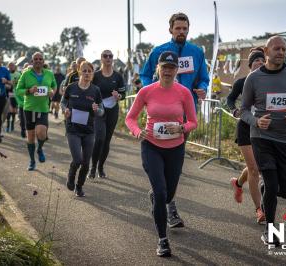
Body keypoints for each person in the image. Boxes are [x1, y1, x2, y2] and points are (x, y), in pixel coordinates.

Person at [240, 36, 286, 246]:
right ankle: (270, 231)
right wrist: (255, 121)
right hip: (261, 138)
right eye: (276, 48)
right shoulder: (253, 78)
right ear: (266, 51)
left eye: (284, 49)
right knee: (272, 184)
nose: (281, 52)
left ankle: (266, 191)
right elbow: (243, 110)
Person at [140, 12, 209, 228]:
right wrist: (148, 92)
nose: (181, 32)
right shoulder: (158, 51)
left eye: (184, 28)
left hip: (185, 116)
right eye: (177, 28)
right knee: (160, 160)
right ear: (170, 29)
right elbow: (144, 75)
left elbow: (204, 78)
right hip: (160, 115)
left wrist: (203, 89)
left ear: (189, 29)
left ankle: (162, 196)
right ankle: (169, 206)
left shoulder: (197, 52)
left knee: (174, 165)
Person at [126, 51, 197, 257]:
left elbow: (193, 121)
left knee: (169, 193)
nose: (167, 71)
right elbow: (130, 118)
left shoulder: (183, 92)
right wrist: (139, 132)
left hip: (175, 148)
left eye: (171, 67)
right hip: (151, 147)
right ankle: (162, 239)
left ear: (177, 70)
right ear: (158, 68)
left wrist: (183, 128)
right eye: (164, 67)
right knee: (160, 192)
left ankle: (159, 197)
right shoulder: (146, 91)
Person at [226, 47, 266, 224]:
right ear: (250, 64)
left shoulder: (270, 81)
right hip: (245, 127)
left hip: (264, 128)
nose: (260, 63)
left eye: (262, 60)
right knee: (254, 169)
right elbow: (229, 99)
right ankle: (260, 210)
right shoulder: (242, 82)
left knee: (254, 167)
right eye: (256, 60)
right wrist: (235, 110)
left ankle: (238, 183)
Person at [61, 61, 104, 197]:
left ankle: (79, 186)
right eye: (84, 71)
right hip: (72, 129)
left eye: (89, 71)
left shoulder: (95, 90)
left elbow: (102, 111)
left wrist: (97, 110)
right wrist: (65, 110)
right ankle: (71, 174)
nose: (87, 73)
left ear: (92, 74)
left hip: (89, 131)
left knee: (86, 163)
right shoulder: (71, 87)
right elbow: (63, 102)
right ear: (79, 72)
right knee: (78, 160)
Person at [87, 50, 125, 179]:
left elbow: (123, 94)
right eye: (105, 56)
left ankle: (100, 167)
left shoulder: (118, 76)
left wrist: (119, 96)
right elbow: (89, 90)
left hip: (113, 110)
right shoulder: (96, 75)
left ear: (112, 59)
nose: (108, 58)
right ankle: (92, 167)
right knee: (99, 138)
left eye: (110, 56)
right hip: (99, 111)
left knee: (107, 141)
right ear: (101, 58)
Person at [16, 52, 57, 170]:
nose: (38, 60)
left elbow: (54, 85)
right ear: (32, 61)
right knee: (31, 137)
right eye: (35, 59)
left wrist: (52, 92)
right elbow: (18, 90)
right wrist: (29, 90)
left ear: (43, 61)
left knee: (42, 133)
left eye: (40, 59)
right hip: (29, 109)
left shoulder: (49, 74)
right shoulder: (25, 74)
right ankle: (32, 161)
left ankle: (39, 149)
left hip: (43, 108)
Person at [5, 62, 21, 132]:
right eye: (10, 66)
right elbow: (3, 82)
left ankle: (12, 124)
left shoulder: (18, 74)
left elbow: (21, 83)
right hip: (8, 93)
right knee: (9, 109)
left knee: (14, 110)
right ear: (8, 66)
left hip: (16, 94)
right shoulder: (6, 74)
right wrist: (6, 85)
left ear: (15, 67)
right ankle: (8, 125)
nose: (11, 67)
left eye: (12, 66)